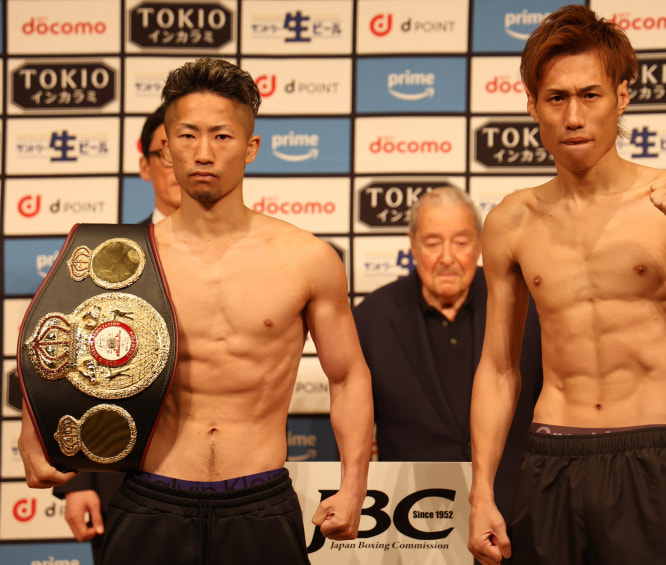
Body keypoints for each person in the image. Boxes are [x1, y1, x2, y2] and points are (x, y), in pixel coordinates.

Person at [467, 5, 666, 565]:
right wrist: (481, 493)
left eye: (590, 95)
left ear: (622, 97)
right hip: (548, 461)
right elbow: (498, 368)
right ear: (532, 106)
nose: (574, 116)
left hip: (649, 463)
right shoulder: (511, 221)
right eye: (556, 98)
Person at [19, 57, 373, 564]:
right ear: (166, 146)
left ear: (251, 147)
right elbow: (53, 348)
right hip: (149, 496)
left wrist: (354, 484)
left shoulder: (307, 258)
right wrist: (31, 434)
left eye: (222, 136)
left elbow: (348, 376)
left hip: (260, 500)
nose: (203, 152)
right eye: (187, 136)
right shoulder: (119, 258)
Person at [353, 186, 542, 521]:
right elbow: (355, 423)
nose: (447, 258)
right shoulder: (370, 318)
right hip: (414, 516)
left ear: (480, 244)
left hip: (518, 511)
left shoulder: (524, 306)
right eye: (432, 243)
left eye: (460, 242)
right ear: (412, 246)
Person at [50, 103, 182, 564]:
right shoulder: (102, 256)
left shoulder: (255, 257)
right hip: (120, 480)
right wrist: (78, 480)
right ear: (145, 165)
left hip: (230, 485)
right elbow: (61, 364)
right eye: (168, 152)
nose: (182, 162)